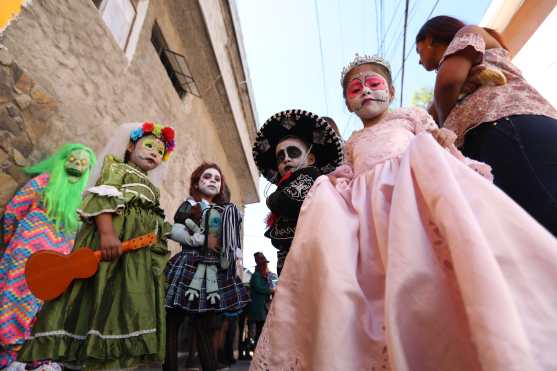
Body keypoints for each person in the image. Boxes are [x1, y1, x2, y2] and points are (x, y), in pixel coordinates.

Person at [249, 54, 557, 371]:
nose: (366, 91)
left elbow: (439, 143)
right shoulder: (354, 141)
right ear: (348, 103)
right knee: (382, 279)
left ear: (392, 92)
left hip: (411, 197)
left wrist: (442, 147)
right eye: (356, 89)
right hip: (369, 214)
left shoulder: (409, 117)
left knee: (427, 264)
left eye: (373, 84)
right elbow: (350, 174)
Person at [18, 122, 175, 369]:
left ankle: (112, 356)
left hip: (136, 257)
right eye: (149, 145)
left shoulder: (153, 189)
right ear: (131, 146)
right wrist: (107, 232)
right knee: (101, 291)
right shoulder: (118, 169)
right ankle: (85, 352)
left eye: (160, 150)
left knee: (126, 301)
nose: (154, 152)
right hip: (112, 245)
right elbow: (103, 196)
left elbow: (155, 221)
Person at [415, 15, 557, 236]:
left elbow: (447, 84)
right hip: (509, 130)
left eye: (418, 50)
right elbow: (432, 110)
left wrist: (446, 123)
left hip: (505, 126)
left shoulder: (468, 33)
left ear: (430, 39)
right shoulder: (467, 61)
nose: (419, 59)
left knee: (544, 214)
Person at [0, 144, 95, 369]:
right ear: (63, 160)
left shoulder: (82, 200)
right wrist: (12, 244)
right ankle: (10, 347)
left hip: (57, 259)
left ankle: (25, 352)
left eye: (83, 164)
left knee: (41, 301)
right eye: (73, 160)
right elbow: (14, 211)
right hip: (25, 249)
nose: (76, 166)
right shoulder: (43, 182)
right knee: (14, 292)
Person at [164, 163, 249, 371]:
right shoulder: (190, 204)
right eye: (207, 176)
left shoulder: (224, 212)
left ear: (221, 187)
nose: (212, 180)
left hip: (213, 270)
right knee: (173, 321)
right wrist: (197, 240)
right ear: (196, 182)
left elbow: (228, 241)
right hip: (188, 264)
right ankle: (170, 366)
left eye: (217, 179)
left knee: (205, 325)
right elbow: (175, 230)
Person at [252, 109, 344, 275]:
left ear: (310, 159)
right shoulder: (286, 184)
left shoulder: (311, 175)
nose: (286, 158)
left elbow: (287, 201)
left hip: (314, 261)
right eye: (280, 157)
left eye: (293, 152)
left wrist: (272, 200)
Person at [248, 252, 274, 347]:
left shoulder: (264, 275)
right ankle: (257, 349)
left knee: (261, 329)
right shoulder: (256, 276)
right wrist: (270, 290)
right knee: (259, 330)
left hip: (262, 307)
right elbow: (259, 288)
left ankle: (258, 348)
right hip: (258, 307)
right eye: (263, 263)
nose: (265, 265)